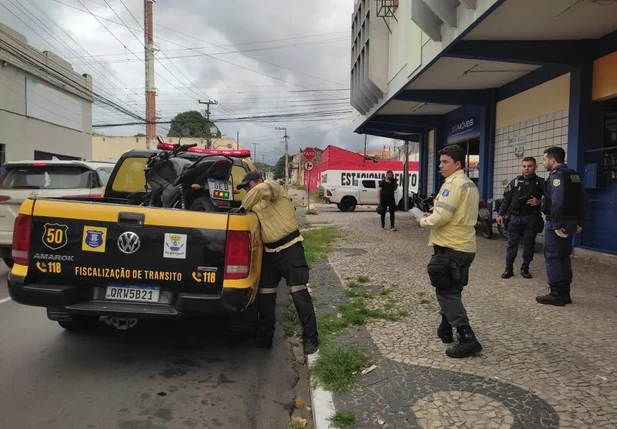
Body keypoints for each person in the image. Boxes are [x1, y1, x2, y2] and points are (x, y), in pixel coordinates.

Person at [236, 171, 319, 354]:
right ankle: (265, 338)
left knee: (299, 295)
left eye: (248, 186)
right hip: (270, 253)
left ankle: (311, 339)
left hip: (290, 248)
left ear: (258, 181)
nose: (247, 191)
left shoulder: (274, 188)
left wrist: (243, 206)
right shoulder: (256, 205)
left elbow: (261, 190)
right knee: (265, 297)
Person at [416, 144, 482, 359]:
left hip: (450, 246)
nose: (440, 166)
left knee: (446, 292)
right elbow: (454, 212)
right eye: (440, 162)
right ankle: (446, 329)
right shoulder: (470, 185)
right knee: (453, 289)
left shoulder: (452, 184)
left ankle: (467, 337)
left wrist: (422, 221)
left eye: (445, 162)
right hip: (466, 246)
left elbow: (441, 218)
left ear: (458, 164)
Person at [537, 147, 586, 306]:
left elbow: (557, 201)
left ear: (552, 160)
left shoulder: (556, 175)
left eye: (545, 160)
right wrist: (579, 222)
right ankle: (565, 293)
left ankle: (556, 294)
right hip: (571, 221)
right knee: (564, 256)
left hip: (557, 222)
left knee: (552, 256)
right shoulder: (573, 174)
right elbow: (584, 200)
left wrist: (557, 224)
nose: (544, 163)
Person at [497, 157, 545, 279]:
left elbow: (550, 199)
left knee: (529, 244)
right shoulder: (514, 182)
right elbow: (506, 199)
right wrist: (500, 214)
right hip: (516, 217)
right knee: (512, 243)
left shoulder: (541, 182)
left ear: (535, 167)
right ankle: (509, 268)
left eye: (529, 166)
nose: (526, 168)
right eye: (524, 166)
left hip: (531, 217)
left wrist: (539, 202)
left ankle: (525, 268)